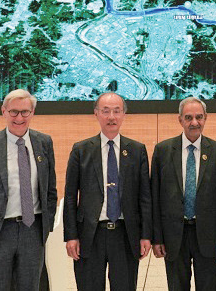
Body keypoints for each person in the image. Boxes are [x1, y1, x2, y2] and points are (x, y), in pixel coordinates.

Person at [0, 89, 57, 290]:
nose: (19, 118)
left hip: (32, 230)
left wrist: (46, 226)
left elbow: (50, 189)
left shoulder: (44, 142)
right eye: (14, 112)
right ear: (4, 112)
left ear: (32, 113)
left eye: (25, 112)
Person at [64, 91, 152, 291]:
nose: (111, 117)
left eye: (116, 111)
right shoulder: (81, 150)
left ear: (124, 114)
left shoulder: (137, 150)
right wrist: (71, 236)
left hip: (125, 234)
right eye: (105, 111)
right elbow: (70, 196)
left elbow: (145, 197)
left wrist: (146, 235)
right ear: (96, 113)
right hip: (89, 235)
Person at [150, 97, 216, 291]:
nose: (194, 122)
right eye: (188, 117)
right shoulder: (163, 151)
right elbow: (155, 198)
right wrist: (157, 238)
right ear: (180, 119)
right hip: (174, 236)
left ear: (206, 118)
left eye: (199, 117)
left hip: (208, 235)